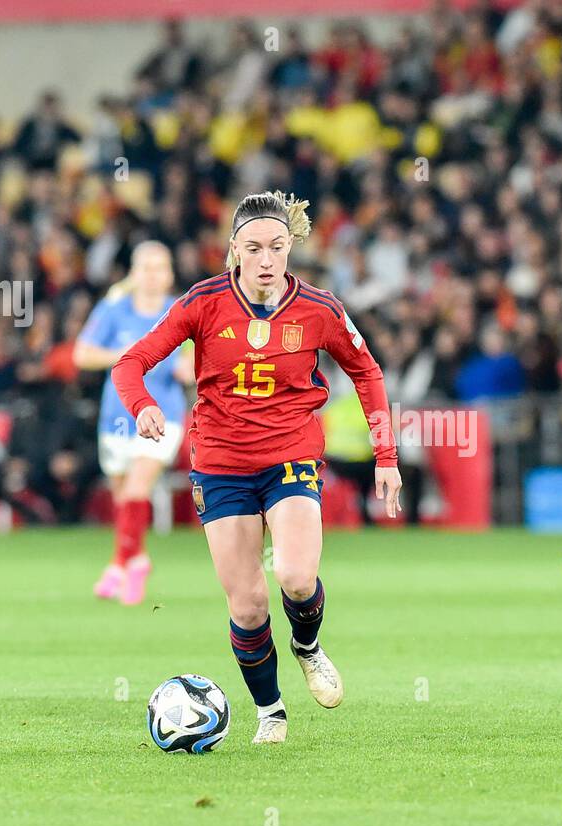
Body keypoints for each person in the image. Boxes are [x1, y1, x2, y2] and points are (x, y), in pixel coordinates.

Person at [112, 191, 402, 744]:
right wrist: (144, 406)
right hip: (220, 464)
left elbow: (368, 373)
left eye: (276, 246)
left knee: (295, 577)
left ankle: (308, 647)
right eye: (253, 248)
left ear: (289, 247)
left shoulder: (319, 309)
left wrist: (385, 456)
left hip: (291, 455)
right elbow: (131, 364)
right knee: (246, 603)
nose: (266, 259)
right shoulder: (203, 303)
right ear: (234, 252)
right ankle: (271, 711)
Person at [74, 241, 189, 605]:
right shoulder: (113, 310)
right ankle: (136, 559)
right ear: (134, 273)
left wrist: (191, 369)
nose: (153, 275)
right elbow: (82, 354)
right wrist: (124, 356)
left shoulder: (180, 311)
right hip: (117, 416)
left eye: (160, 267)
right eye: (146, 267)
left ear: (169, 273)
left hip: (161, 415)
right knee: (124, 497)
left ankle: (116, 565)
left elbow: (193, 361)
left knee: (138, 489)